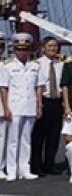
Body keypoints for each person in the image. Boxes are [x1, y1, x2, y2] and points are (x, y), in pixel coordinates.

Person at [0, 33, 44, 181]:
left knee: (26, 140)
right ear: (15, 50)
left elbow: (38, 87)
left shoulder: (35, 66)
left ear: (29, 50)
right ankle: (11, 170)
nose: (22, 52)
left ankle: (24, 168)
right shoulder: (8, 66)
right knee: (13, 140)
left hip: (30, 105)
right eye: (19, 49)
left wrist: (39, 105)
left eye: (25, 49)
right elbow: (4, 88)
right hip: (14, 106)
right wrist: (6, 108)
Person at [32, 36, 63, 175]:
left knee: (54, 135)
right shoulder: (37, 64)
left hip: (57, 102)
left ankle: (50, 164)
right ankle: (36, 165)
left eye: (55, 46)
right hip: (43, 101)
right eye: (50, 46)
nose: (53, 48)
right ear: (43, 48)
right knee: (39, 136)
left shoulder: (61, 64)